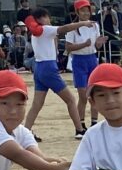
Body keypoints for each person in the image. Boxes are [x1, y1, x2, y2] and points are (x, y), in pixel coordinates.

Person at [19, 8, 82, 139]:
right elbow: (66, 28)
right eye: (47, 17)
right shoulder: (46, 29)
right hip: (48, 67)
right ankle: (79, 130)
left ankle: (25, 132)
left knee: (37, 104)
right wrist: (83, 23)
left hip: (38, 67)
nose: (49, 20)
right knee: (70, 100)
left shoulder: (36, 32)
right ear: (42, 18)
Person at [61, 0, 102, 132]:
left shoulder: (95, 25)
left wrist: (100, 42)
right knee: (83, 95)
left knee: (94, 93)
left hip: (92, 59)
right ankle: (81, 124)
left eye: (88, 10)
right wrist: (83, 44)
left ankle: (94, 122)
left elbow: (96, 45)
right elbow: (68, 47)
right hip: (79, 61)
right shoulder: (72, 28)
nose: (86, 13)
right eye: (83, 10)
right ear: (77, 12)